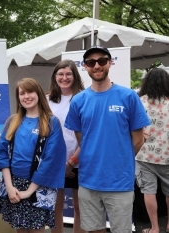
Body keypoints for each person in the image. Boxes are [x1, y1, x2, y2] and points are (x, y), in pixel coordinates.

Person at [64, 45, 151, 233]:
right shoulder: (78, 101)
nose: (97, 66)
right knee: (94, 230)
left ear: (110, 63)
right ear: (85, 67)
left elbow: (138, 140)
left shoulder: (128, 96)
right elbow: (82, 140)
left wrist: (120, 159)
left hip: (119, 181)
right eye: (91, 62)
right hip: (88, 180)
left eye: (102, 61)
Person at [0, 77, 66, 233]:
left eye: (30, 91)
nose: (26, 96)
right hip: (15, 186)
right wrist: (10, 187)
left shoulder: (51, 122)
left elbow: (50, 160)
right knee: (21, 230)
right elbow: (2, 154)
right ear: (18, 98)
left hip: (39, 186)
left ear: (38, 93)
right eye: (22, 93)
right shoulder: (13, 121)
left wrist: (30, 191)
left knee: (36, 229)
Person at [47, 59, 85, 233]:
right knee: (56, 208)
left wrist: (71, 162)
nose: (64, 77)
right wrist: (61, 163)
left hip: (81, 161)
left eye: (68, 73)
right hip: (56, 162)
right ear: (55, 77)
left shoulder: (84, 98)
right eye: (60, 74)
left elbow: (88, 135)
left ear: (75, 76)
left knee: (80, 208)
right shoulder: (47, 100)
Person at [136, 68, 169, 233]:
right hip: (167, 155)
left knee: (148, 191)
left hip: (143, 154)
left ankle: (154, 228)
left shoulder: (140, 102)